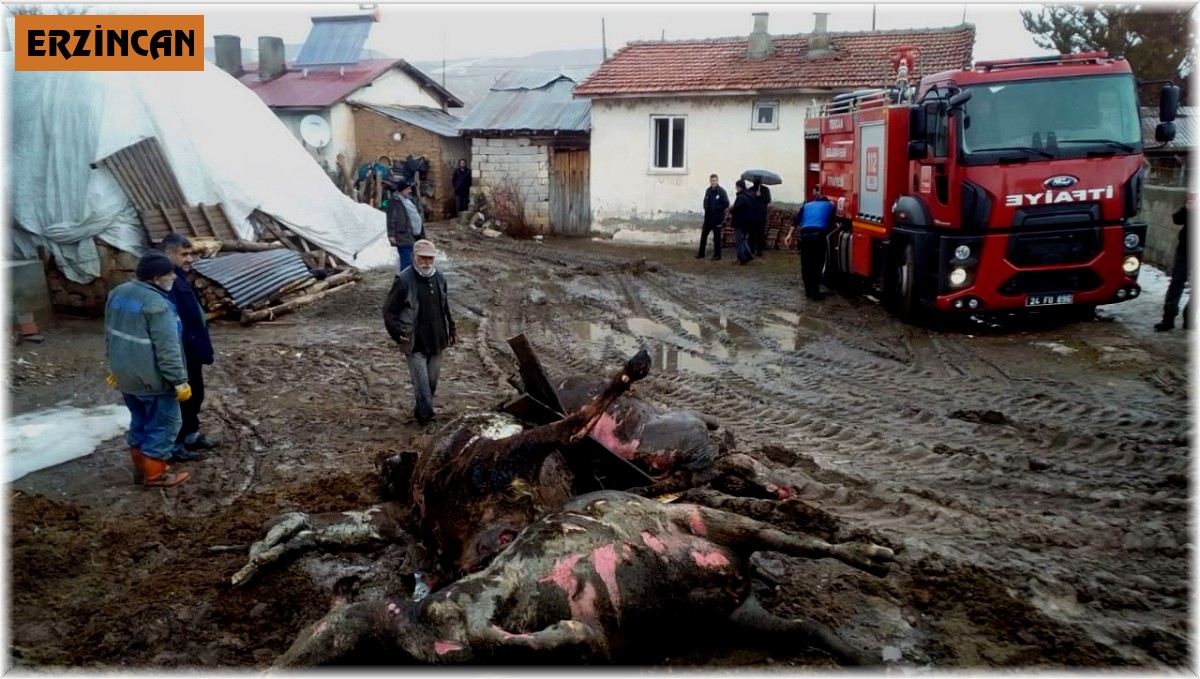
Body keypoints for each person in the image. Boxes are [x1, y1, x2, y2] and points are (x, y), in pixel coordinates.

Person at [105, 250, 193, 487]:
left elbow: (111, 334)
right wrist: (179, 381)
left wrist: (114, 367)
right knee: (164, 424)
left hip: (125, 375)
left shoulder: (118, 293)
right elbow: (168, 349)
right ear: (155, 279)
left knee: (140, 420)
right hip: (152, 379)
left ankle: (141, 468)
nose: (174, 277)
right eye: (169, 274)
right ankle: (155, 474)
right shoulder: (158, 305)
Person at [383, 239, 458, 426]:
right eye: (423, 258)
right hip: (415, 341)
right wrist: (396, 332)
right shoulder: (404, 280)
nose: (426, 262)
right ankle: (426, 418)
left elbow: (445, 306)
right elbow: (389, 311)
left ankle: (421, 409)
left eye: (430, 258)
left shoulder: (439, 277)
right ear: (414, 257)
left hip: (437, 339)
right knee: (422, 383)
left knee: (431, 382)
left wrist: (452, 329)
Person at [159, 234, 219, 455]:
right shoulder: (165, 283)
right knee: (180, 399)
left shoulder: (179, 277)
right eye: (184, 254)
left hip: (192, 348)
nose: (189, 259)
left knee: (195, 394)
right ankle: (175, 445)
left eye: (190, 254)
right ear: (168, 254)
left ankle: (191, 435)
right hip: (182, 350)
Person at [785, 191, 836, 300]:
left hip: (805, 236)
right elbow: (831, 224)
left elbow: (796, 221)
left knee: (806, 264)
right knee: (817, 264)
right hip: (818, 236)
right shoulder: (830, 206)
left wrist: (789, 235)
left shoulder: (807, 206)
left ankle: (808, 292)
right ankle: (815, 293)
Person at [1155, 195, 1193, 331]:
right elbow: (1177, 219)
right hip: (1186, 249)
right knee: (1177, 281)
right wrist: (1187, 208)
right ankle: (1168, 318)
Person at [387, 179, 425, 274]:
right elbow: (391, 219)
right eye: (408, 189)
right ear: (402, 190)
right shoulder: (394, 202)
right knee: (406, 261)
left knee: (414, 260)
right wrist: (391, 235)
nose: (410, 191)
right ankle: (404, 280)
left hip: (414, 236)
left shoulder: (409, 200)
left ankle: (411, 279)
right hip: (403, 234)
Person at [697, 174, 729, 261]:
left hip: (717, 218)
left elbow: (726, 203)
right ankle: (701, 253)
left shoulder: (721, 191)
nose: (713, 182)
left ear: (717, 181)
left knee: (717, 238)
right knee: (703, 235)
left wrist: (718, 209)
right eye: (711, 181)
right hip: (708, 218)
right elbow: (705, 201)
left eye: (714, 181)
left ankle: (717, 255)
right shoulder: (708, 191)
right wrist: (705, 207)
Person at [729, 180, 755, 265]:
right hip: (747, 221)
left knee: (739, 241)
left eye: (736, 186)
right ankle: (748, 255)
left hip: (740, 221)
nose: (735, 188)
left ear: (739, 187)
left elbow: (737, 209)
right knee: (743, 240)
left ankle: (742, 258)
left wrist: (731, 209)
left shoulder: (741, 197)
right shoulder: (748, 196)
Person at [752, 181, 772, 257]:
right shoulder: (750, 189)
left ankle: (759, 250)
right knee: (751, 233)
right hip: (752, 215)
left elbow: (768, 200)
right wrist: (755, 195)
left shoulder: (765, 189)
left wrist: (760, 196)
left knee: (760, 234)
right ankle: (751, 249)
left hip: (761, 215)